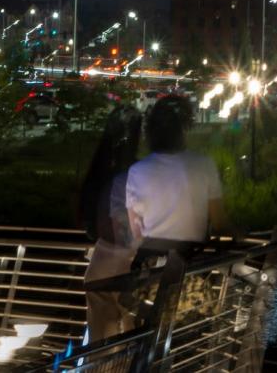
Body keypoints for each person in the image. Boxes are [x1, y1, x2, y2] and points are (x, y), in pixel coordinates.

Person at [125, 95, 225, 263]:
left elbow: (136, 230)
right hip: (189, 261)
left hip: (149, 262)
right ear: (184, 130)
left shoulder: (137, 171)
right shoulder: (203, 165)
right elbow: (220, 222)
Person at [80, 105, 142, 341]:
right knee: (127, 342)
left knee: (102, 345)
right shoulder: (131, 175)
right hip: (122, 266)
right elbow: (123, 231)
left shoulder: (102, 172)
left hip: (101, 264)